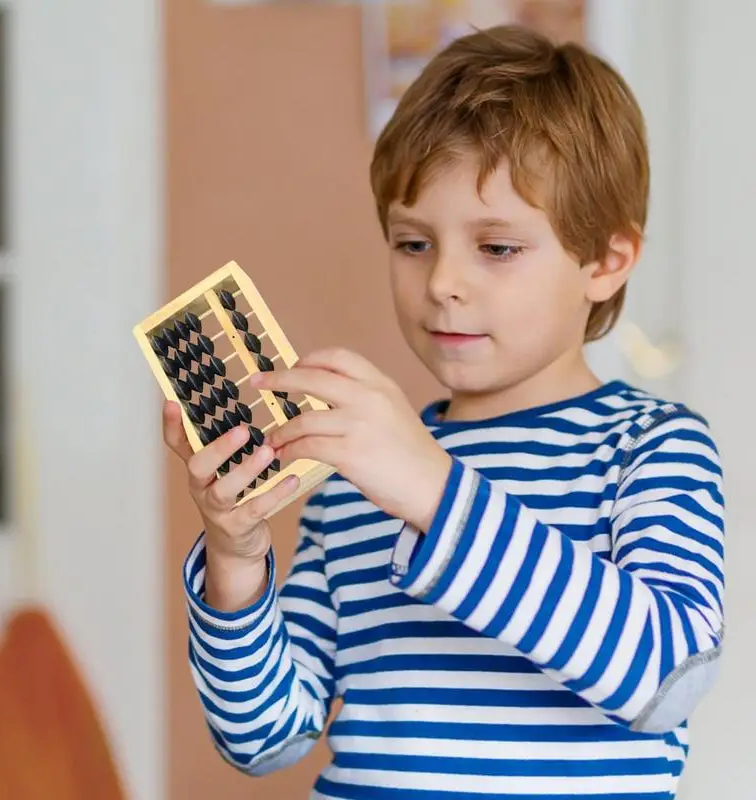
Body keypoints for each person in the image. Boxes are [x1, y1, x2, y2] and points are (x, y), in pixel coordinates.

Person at [164, 24, 725, 800]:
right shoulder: (356, 476)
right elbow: (265, 738)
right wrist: (235, 559)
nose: (443, 283)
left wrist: (433, 488)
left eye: (496, 248)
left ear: (606, 261)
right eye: (413, 243)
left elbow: (664, 678)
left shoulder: (652, 449)